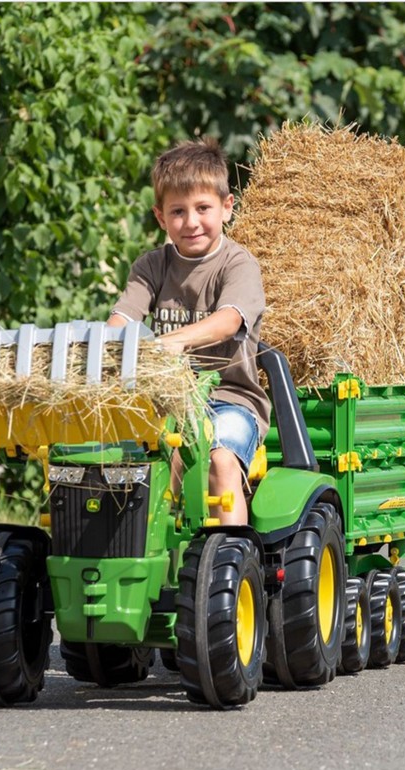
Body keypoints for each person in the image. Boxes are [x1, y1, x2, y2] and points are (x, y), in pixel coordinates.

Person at [108, 137, 270, 525]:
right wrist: (110, 346)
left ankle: (231, 562)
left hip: (230, 400)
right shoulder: (151, 266)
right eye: (178, 212)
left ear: (227, 208)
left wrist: (168, 342)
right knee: (136, 467)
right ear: (161, 218)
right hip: (168, 404)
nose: (191, 222)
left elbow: (228, 321)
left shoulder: (238, 265)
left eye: (203, 208)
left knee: (219, 461)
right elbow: (121, 322)